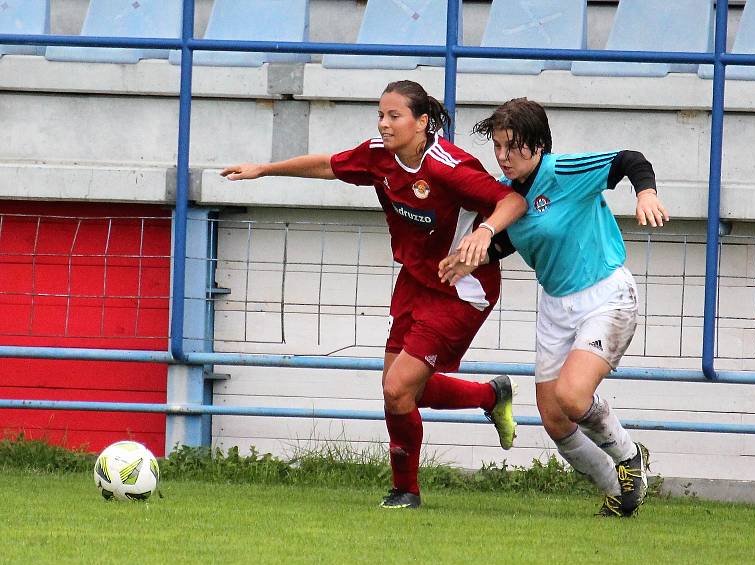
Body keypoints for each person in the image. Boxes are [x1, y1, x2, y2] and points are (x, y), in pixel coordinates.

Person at [221, 80, 528, 509]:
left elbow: (512, 202)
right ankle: (490, 396)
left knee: (399, 389)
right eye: (380, 115)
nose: (384, 124)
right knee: (398, 389)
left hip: (460, 288)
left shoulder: (448, 166)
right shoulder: (379, 157)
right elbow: (329, 165)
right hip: (414, 282)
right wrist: (264, 170)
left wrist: (482, 233)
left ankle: (406, 490)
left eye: (394, 116)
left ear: (422, 123)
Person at [438, 98, 669, 517]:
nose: (504, 157)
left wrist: (646, 193)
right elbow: (514, 240)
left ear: (539, 144)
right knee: (554, 417)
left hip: (605, 294)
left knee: (572, 396)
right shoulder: (508, 198)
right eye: (498, 147)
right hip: (555, 306)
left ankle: (630, 457)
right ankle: (619, 490)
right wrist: (473, 258)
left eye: (514, 146)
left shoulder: (565, 172)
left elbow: (630, 160)